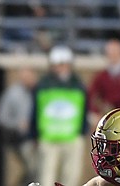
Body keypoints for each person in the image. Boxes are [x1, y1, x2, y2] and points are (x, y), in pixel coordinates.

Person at [30, 45, 88, 186]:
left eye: (62, 64)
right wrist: (34, 134)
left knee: (71, 176)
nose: (60, 68)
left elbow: (84, 109)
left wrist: (82, 131)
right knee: (46, 177)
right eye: (57, 64)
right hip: (49, 138)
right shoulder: (43, 84)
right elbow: (36, 110)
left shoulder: (78, 85)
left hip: (72, 137)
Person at [0, 67, 38, 186]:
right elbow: (1, 118)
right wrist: (18, 124)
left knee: (35, 170)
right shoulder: (13, 93)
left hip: (34, 138)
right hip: (19, 138)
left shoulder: (36, 92)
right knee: (33, 168)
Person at [87, 39, 120, 130]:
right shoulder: (101, 76)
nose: (113, 55)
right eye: (110, 53)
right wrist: (96, 112)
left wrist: (109, 103)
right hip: (109, 123)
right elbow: (91, 95)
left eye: (115, 52)